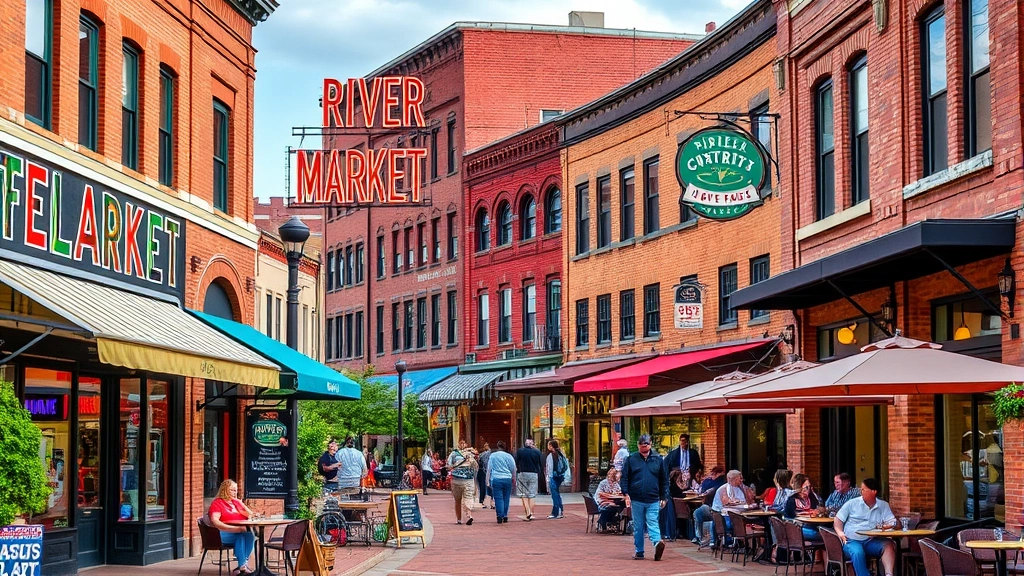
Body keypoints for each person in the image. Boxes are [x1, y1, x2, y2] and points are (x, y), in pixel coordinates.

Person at [834, 477, 897, 576]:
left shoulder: (883, 505)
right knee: (858, 552)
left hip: (871, 540)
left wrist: (890, 525)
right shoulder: (852, 503)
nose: (860, 491)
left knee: (889, 545)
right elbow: (838, 520)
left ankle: (889, 574)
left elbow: (893, 522)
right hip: (851, 540)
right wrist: (840, 533)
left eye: (863, 489)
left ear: (873, 492)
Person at [620, 434, 669, 561]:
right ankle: (639, 551)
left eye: (646, 445)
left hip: (653, 498)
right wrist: (626, 494)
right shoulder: (631, 459)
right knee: (638, 526)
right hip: (636, 498)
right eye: (642, 445)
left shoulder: (658, 460)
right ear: (638, 445)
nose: (644, 447)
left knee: (652, 522)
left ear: (650, 444)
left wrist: (664, 496)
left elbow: (664, 480)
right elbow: (624, 478)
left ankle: (657, 543)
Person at [207, 480, 256, 576]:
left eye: (235, 490)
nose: (235, 493)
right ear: (224, 490)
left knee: (250, 535)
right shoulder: (218, 503)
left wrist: (240, 503)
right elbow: (215, 521)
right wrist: (233, 529)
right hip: (222, 533)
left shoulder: (235, 503)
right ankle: (242, 566)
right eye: (232, 490)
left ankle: (242, 565)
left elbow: (251, 515)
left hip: (238, 532)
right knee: (240, 537)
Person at [712, 470, 754, 538]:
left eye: (742, 478)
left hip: (741, 513)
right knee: (737, 522)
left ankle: (743, 541)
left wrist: (749, 494)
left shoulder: (742, 487)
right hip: (724, 515)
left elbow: (750, 499)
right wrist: (739, 503)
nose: (742, 480)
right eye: (739, 478)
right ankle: (738, 540)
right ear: (731, 479)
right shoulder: (723, 489)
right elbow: (727, 503)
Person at [784, 473, 824, 542]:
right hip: (796, 529)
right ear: (799, 487)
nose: (808, 489)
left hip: (811, 526)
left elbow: (819, 508)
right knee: (823, 536)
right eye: (806, 487)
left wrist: (818, 511)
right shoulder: (792, 500)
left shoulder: (811, 497)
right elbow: (790, 516)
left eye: (809, 487)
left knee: (825, 531)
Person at [692, 466, 726, 546]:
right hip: (718, 510)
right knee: (700, 512)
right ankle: (707, 538)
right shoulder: (722, 482)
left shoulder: (710, 481)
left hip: (713, 508)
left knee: (697, 512)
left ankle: (699, 537)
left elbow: (702, 490)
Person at [447, 439, 478, 525]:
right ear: (458, 444)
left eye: (463, 443)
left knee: (467, 497)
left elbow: (448, 465)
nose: (462, 444)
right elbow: (449, 465)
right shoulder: (455, 453)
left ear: (466, 444)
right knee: (458, 500)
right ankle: (459, 519)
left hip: (465, 479)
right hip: (459, 479)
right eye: (461, 443)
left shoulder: (469, 453)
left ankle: (469, 516)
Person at [486, 441, 517, 523]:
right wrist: (514, 477)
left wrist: (487, 480)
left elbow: (489, 468)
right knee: (506, 497)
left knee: (498, 498)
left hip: (496, 478)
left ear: (497, 446)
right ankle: (505, 515)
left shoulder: (493, 456)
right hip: (507, 478)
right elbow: (513, 467)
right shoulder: (509, 456)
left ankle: (500, 516)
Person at [515, 439, 544, 521]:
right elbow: (540, 463)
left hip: (523, 473)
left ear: (525, 444)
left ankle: (527, 511)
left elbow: (516, 461)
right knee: (532, 494)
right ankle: (530, 512)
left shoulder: (520, 451)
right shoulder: (537, 452)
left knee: (523, 494)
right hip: (534, 474)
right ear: (532, 444)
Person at [545, 439, 568, 519]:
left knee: (554, 494)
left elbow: (550, 468)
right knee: (557, 493)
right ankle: (560, 511)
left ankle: (556, 512)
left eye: (549, 445)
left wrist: (548, 478)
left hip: (553, 476)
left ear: (551, 446)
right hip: (560, 476)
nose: (548, 447)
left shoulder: (551, 455)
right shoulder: (561, 454)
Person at [477, 442, 493, 508]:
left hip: (481, 472)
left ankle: (483, 501)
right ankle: (488, 502)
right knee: (487, 487)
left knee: (483, 487)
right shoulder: (489, 454)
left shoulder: (480, 455)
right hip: (485, 472)